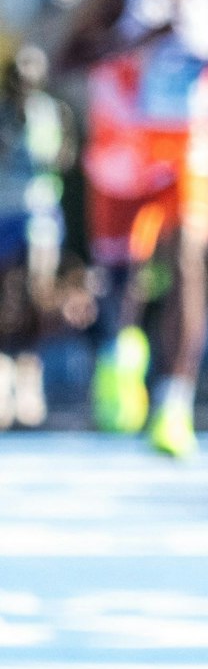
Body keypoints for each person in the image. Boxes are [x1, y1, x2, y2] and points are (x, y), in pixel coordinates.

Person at [57, 0, 208, 456]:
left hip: (187, 146)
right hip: (122, 150)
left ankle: (174, 404)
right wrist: (138, 40)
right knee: (122, 279)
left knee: (188, 258)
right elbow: (66, 57)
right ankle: (120, 355)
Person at [0, 45, 72, 430]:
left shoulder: (53, 112)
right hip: (3, 210)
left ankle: (28, 374)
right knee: (5, 292)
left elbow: (63, 157)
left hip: (40, 212)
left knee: (35, 291)